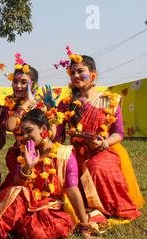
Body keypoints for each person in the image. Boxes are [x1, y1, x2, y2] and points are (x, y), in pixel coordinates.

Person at [0, 109, 97, 239]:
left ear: (43, 129)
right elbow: (17, 183)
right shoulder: (25, 151)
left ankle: (11, 226)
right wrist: (27, 166)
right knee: (18, 190)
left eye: (29, 131)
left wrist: (84, 226)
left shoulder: (64, 154)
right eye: (23, 132)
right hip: (23, 203)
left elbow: (72, 190)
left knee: (39, 231)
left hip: (49, 208)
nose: (26, 136)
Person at [55, 46, 143, 222]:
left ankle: (104, 208)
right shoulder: (66, 103)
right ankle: (79, 207)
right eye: (72, 73)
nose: (76, 76)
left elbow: (118, 133)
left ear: (93, 74)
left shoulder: (109, 100)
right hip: (75, 151)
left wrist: (104, 143)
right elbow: (59, 137)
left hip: (103, 149)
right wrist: (51, 119)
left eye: (81, 71)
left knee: (97, 167)